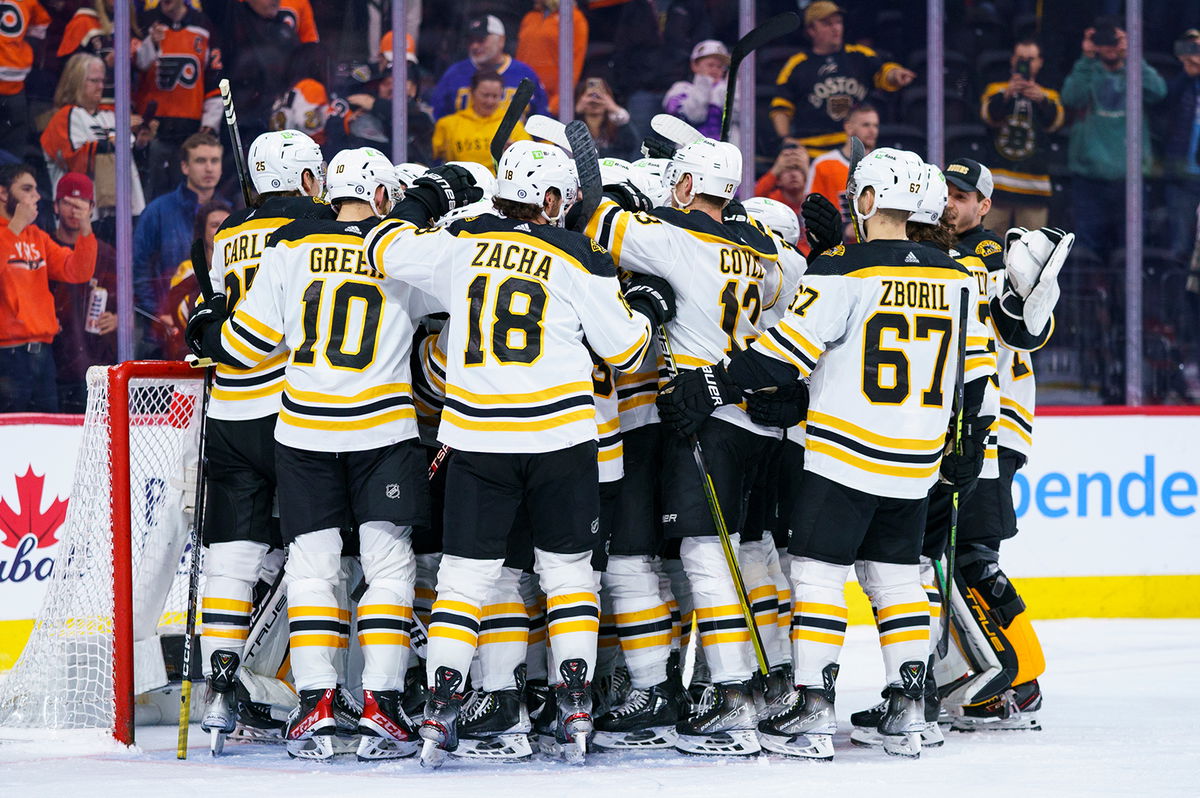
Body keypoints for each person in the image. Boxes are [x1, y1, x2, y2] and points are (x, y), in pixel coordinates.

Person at [656, 147, 995, 761]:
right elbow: (976, 381)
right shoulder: (958, 275)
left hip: (844, 453)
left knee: (817, 577)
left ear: (867, 201)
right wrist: (966, 449)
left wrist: (713, 384)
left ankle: (812, 712)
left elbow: (784, 354)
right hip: (916, 459)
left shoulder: (844, 268)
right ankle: (909, 710)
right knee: (895, 580)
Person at [363, 141, 672, 768]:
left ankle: (442, 702)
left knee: (465, 579)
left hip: (476, 439)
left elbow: (379, 244)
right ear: (552, 200)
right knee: (568, 573)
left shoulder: (462, 247)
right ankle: (576, 701)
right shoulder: (578, 256)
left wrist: (428, 197)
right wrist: (642, 308)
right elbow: (630, 354)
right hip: (561, 441)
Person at [190, 147, 444, 761]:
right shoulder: (403, 249)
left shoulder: (290, 247)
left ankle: (317, 705)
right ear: (384, 196)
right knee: (387, 566)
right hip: (383, 431)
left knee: (312, 569)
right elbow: (441, 336)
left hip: (303, 432)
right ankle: (382, 704)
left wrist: (208, 325)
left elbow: (247, 347)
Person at [585, 131, 805, 756]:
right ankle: (765, 682)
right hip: (757, 416)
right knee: (745, 556)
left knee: (709, 563)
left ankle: (732, 693)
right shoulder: (774, 254)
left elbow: (599, 219)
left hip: (700, 417)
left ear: (683, 187)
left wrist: (600, 173)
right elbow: (801, 293)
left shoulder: (678, 241)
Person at [183, 129, 331, 756]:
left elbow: (215, 316)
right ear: (305, 178)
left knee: (232, 556)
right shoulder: (321, 228)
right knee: (320, 554)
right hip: (297, 411)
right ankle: (321, 696)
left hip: (231, 412)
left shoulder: (228, 235)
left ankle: (222, 690)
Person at [1061, 16, 1166, 255]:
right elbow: (1071, 97)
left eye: (1116, 39)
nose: (1110, 45)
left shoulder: (1135, 72)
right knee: (1088, 249)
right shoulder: (1088, 70)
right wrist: (1086, 57)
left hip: (1129, 180)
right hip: (1089, 178)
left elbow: (1159, 91)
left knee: (1129, 251)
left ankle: (1122, 294)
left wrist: (1132, 54)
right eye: (1104, 39)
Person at [0, 163, 97, 413]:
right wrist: (14, 228)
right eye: (26, 189)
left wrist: (86, 227)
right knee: (10, 435)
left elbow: (77, 271)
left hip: (43, 351)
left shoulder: (37, 236)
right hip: (6, 355)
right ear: (3, 193)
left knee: (48, 431)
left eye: (35, 189)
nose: (37, 196)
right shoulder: (11, 233)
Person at [769, 1, 914, 155]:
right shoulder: (797, 64)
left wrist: (895, 75)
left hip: (855, 148)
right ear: (811, 29)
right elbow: (781, 108)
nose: (835, 28)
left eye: (838, 22)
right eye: (827, 24)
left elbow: (884, 72)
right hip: (812, 150)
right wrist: (786, 138)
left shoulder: (859, 55)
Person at [133, 131, 223, 344]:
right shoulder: (158, 211)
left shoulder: (230, 212)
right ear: (184, 167)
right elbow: (138, 270)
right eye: (200, 161)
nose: (209, 168)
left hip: (216, 333)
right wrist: (160, 312)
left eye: (214, 160)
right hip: (166, 334)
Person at [40, 53, 152, 220]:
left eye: (103, 81)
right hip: (82, 213)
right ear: (76, 81)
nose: (100, 86)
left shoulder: (111, 114)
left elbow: (129, 160)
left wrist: (141, 142)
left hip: (121, 209)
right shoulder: (65, 116)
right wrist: (110, 144)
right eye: (94, 81)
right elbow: (72, 161)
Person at [134, 0, 224, 200]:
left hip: (190, 130)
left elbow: (213, 80)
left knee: (188, 196)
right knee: (149, 195)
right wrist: (151, 43)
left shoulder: (204, 25)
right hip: (152, 128)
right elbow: (133, 68)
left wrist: (209, 125)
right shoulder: (146, 20)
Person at [980, 39, 1066, 233]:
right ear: (1012, 60)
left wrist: (1042, 101)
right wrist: (1007, 94)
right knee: (989, 243)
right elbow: (988, 116)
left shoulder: (1049, 95)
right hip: (997, 186)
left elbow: (1056, 124)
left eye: (1030, 59)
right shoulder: (996, 89)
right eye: (1021, 58)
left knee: (1032, 248)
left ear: (1040, 62)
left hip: (1035, 187)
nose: (1025, 63)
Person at [48, 173, 117, 412]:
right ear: (55, 206)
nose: (74, 211)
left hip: (96, 361)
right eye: (68, 203)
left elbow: (128, 301)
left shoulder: (106, 253)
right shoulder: (44, 246)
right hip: (54, 359)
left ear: (92, 208)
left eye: (81, 204)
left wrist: (118, 318)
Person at [428, 15, 548, 121]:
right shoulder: (454, 74)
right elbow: (438, 117)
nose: (474, 46)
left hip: (515, 144)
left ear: (501, 41)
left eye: (481, 40)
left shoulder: (524, 74)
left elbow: (541, 117)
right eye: (471, 41)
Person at [159, 201, 231, 361]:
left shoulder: (240, 264)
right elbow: (180, 314)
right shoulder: (188, 269)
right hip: (193, 353)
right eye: (214, 225)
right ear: (203, 231)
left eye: (227, 223)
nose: (221, 229)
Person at [432, 71, 530, 171]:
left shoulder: (512, 125)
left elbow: (529, 159)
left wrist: (515, 152)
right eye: (485, 95)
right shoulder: (448, 124)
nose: (490, 101)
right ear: (472, 92)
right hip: (459, 183)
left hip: (498, 183)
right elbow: (429, 156)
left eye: (495, 96)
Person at [805, 103, 879, 234]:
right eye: (866, 125)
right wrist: (843, 231)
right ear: (849, 127)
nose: (872, 131)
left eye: (875, 125)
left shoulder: (884, 165)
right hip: (836, 245)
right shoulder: (823, 164)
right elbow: (813, 211)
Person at [1164, 29, 1200, 260]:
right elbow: (1162, 100)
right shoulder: (1183, 83)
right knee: (1180, 245)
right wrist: (1188, 73)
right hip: (1183, 175)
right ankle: (1180, 295)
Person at [516, 0, 588, 117]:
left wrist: (557, 103)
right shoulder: (529, 18)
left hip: (551, 101)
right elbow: (520, 58)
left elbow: (575, 65)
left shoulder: (574, 18)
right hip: (525, 98)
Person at [0, 0, 49, 158]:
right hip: (15, 81)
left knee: (13, 152)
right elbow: (40, 25)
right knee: (13, 153)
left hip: (14, 85)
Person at [663, 40, 730, 141]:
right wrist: (704, 84)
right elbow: (695, 116)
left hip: (724, 152)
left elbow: (741, 118)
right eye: (710, 65)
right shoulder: (681, 89)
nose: (715, 69)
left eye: (720, 66)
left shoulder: (726, 89)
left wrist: (734, 82)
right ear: (694, 65)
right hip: (690, 151)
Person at [575, 77, 639, 162]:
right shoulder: (572, 124)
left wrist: (614, 108)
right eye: (590, 96)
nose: (595, 100)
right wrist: (575, 111)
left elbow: (632, 145)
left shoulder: (618, 129)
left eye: (599, 97)